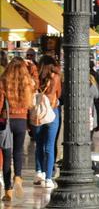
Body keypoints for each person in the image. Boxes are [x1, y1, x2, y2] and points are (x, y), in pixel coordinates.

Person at [0, 58, 34, 200]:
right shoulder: (27, 82)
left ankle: (8, 190)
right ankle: (18, 177)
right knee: (18, 151)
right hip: (21, 120)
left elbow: (0, 101)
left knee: (7, 155)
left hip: (6, 121)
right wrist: (32, 67)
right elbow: (35, 88)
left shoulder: (3, 81)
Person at [33, 55, 61, 189]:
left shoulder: (36, 78)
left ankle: (39, 172)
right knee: (49, 146)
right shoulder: (55, 77)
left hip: (38, 112)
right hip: (52, 112)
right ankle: (48, 178)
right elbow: (59, 94)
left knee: (39, 144)